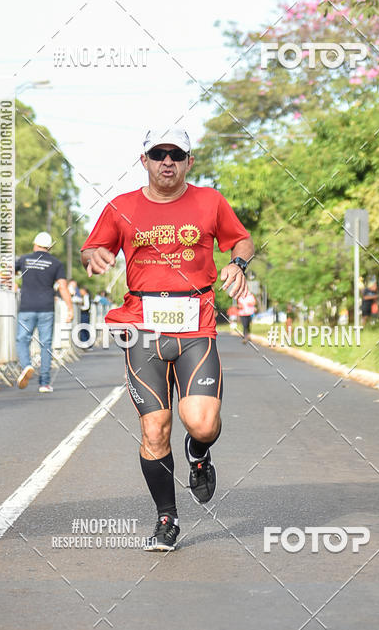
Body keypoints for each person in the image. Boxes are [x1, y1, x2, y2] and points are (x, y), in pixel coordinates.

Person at [81, 127, 253, 551]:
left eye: (176, 154)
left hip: (196, 327)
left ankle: (198, 454)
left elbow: (242, 239)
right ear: (144, 160)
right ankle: (166, 518)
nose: (167, 161)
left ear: (188, 161)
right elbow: (91, 248)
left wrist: (238, 264)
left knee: (203, 423)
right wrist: (94, 255)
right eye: (158, 154)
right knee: (154, 429)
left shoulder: (210, 201)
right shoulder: (121, 208)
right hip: (143, 328)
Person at [15, 232, 73, 393]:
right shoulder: (55, 263)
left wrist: (12, 284)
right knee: (45, 345)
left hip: (27, 306)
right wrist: (70, 308)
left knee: (22, 340)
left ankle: (27, 365)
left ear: (35, 244)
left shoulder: (24, 259)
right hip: (47, 307)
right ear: (50, 247)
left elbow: (6, 273)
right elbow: (62, 287)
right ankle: (44, 383)